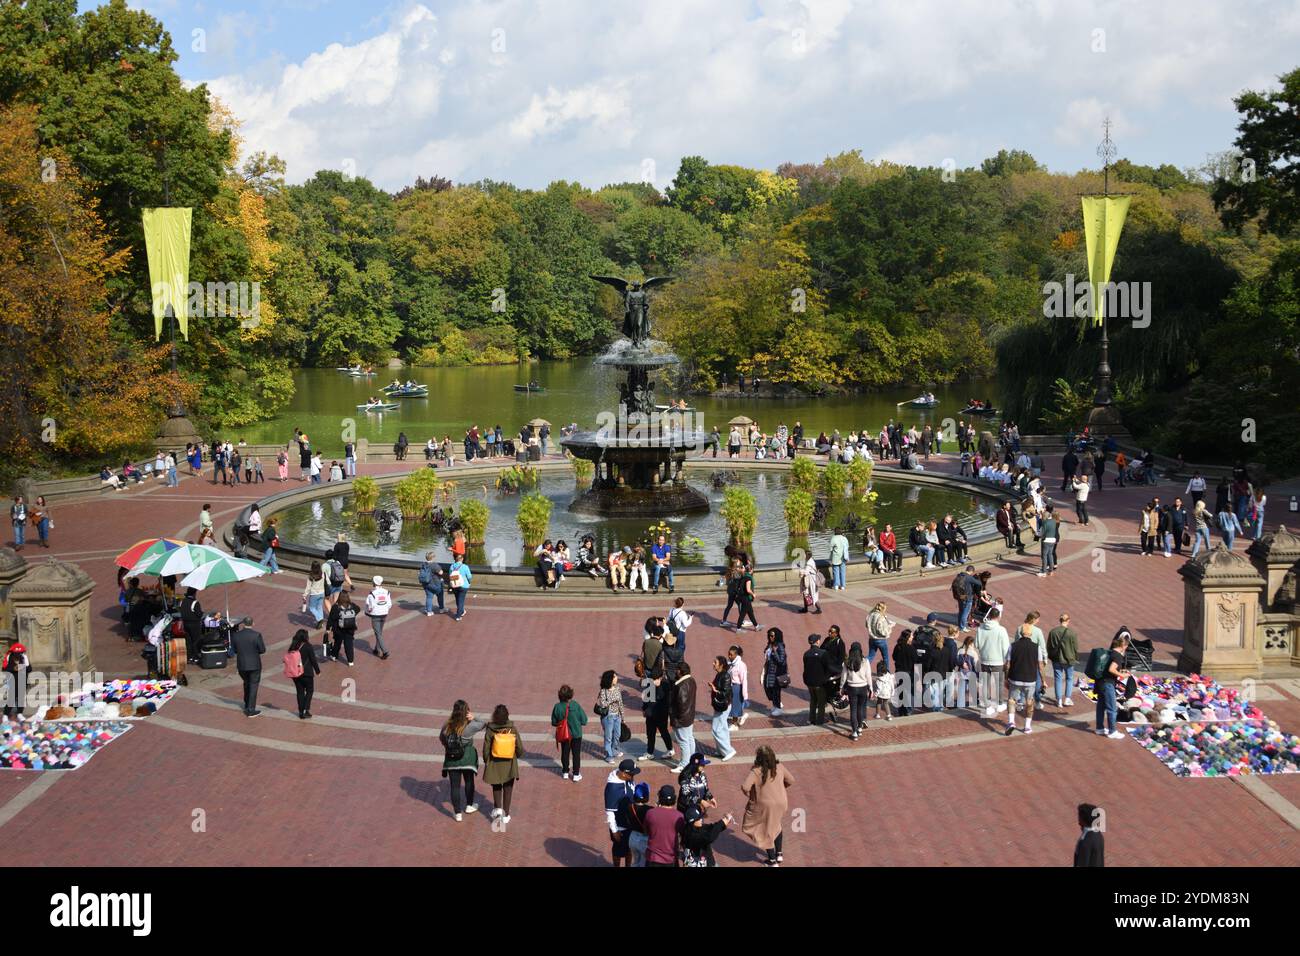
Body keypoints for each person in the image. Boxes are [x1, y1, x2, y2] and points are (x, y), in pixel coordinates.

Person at [741, 746, 794, 867]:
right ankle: (779, 853)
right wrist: (781, 788)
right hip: (781, 803)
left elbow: (745, 787)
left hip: (765, 806)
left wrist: (751, 796)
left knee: (765, 830)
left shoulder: (756, 771)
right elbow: (791, 780)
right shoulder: (779, 766)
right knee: (776, 825)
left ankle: (772, 860)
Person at [440, 700, 485, 822]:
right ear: (466, 712)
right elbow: (483, 723)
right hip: (467, 759)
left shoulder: (447, 726)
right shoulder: (469, 727)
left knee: (454, 786)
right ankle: (469, 805)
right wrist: (474, 717)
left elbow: (441, 738)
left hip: (451, 760)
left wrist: (450, 747)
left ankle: (457, 813)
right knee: (469, 782)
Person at [483, 704, 521, 825]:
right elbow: (519, 747)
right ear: (507, 716)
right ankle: (506, 814)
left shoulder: (490, 729)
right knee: (508, 788)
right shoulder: (512, 729)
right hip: (509, 763)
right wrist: (518, 755)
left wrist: (486, 760)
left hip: (494, 762)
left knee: (496, 787)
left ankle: (498, 809)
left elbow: (486, 749)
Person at [1004, 620, 1043, 735]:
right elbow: (1040, 665)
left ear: (1020, 633)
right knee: (1029, 702)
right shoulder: (1037, 647)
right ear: (1031, 634)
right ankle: (1027, 726)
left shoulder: (1013, 646)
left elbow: (1007, 664)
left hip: (1015, 677)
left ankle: (1011, 721)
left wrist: (1006, 677)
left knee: (1012, 700)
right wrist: (1043, 680)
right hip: (1030, 679)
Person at [604, 758, 641, 865]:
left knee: (629, 848)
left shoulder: (627, 779)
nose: (633, 777)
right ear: (624, 773)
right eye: (632, 774)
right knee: (618, 850)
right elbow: (610, 812)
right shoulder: (613, 788)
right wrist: (614, 830)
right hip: (620, 827)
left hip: (630, 823)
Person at [975, 607, 1010, 718]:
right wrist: (1006, 660)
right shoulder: (1001, 630)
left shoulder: (981, 628)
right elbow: (1006, 648)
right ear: (998, 616)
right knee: (999, 683)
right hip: (998, 661)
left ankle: (987, 707)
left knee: (985, 684)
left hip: (985, 660)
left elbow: (977, 645)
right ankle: (999, 704)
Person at [1096, 631, 1131, 739]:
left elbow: (1108, 667)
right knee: (1112, 708)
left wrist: (1121, 671)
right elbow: (1112, 669)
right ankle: (1112, 731)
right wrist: (1122, 675)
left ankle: (1100, 728)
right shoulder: (1118, 656)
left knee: (1101, 706)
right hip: (1108, 684)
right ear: (1124, 645)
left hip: (1101, 682)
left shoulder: (1110, 652)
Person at [551, 684, 588, 781]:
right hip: (576, 734)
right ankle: (576, 774)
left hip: (564, 734)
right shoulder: (575, 705)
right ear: (571, 694)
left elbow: (554, 722)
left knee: (565, 753)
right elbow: (584, 720)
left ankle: (565, 772)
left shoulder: (557, 707)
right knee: (576, 754)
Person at [231, 617, 265, 717]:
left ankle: (247, 704)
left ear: (243, 624)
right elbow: (262, 650)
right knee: (253, 685)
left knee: (246, 683)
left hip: (242, 664)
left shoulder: (236, 635)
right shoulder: (256, 635)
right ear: (253, 623)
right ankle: (250, 709)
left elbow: (234, 650)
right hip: (254, 664)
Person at [645, 785, 685, 867]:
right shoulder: (679, 816)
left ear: (660, 798)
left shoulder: (650, 813)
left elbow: (646, 831)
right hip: (671, 859)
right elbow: (683, 835)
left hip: (653, 858)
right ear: (674, 798)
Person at [669, 661, 698, 772]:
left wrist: (675, 716)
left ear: (680, 671)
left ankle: (684, 764)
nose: (676, 672)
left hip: (681, 719)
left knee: (683, 741)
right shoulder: (692, 681)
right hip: (689, 716)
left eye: (677, 670)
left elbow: (681, 703)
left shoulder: (680, 685)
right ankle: (692, 759)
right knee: (689, 738)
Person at [285, 627, 320, 719]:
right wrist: (317, 671)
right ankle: (306, 709)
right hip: (307, 672)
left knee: (300, 692)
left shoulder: (293, 646)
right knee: (310, 690)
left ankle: (301, 711)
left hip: (295, 673)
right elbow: (313, 660)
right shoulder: (308, 646)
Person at [707, 656, 737, 760]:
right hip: (720, 705)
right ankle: (721, 750)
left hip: (723, 705)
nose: (713, 664)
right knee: (723, 728)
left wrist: (715, 690)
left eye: (715, 662)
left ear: (721, 665)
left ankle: (728, 751)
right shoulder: (720, 674)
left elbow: (726, 692)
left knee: (716, 729)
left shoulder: (725, 676)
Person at [841, 641, 872, 739]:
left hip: (852, 687)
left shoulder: (847, 662)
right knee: (860, 708)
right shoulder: (865, 661)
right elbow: (869, 676)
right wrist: (871, 688)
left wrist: (841, 687)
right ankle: (859, 727)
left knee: (853, 710)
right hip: (863, 687)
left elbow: (843, 676)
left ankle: (854, 732)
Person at [1047, 613, 1078, 707]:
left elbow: (1049, 645)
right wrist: (1075, 657)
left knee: (1058, 678)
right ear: (1068, 620)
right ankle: (1067, 699)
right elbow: (1075, 648)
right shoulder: (1071, 633)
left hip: (1056, 659)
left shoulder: (1053, 632)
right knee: (1069, 678)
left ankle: (1059, 700)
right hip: (1068, 659)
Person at [802, 633, 833, 725]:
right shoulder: (823, 653)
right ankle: (819, 721)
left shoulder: (806, 654)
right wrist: (826, 678)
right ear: (817, 641)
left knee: (813, 700)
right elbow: (828, 668)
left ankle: (811, 719)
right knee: (821, 702)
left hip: (809, 682)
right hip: (820, 683)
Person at [596, 670, 626, 762]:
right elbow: (603, 704)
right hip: (608, 717)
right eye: (615, 677)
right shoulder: (603, 691)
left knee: (617, 735)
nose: (617, 678)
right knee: (608, 737)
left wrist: (623, 717)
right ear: (610, 679)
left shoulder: (617, 689)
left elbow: (620, 703)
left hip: (617, 716)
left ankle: (613, 749)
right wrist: (612, 700)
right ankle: (609, 756)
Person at [326, 588, 359, 665]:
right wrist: (351, 615)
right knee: (349, 644)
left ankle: (334, 656)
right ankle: (350, 661)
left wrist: (328, 629)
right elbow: (358, 609)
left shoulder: (336, 607)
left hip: (338, 629)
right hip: (350, 628)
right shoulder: (352, 605)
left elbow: (331, 618)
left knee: (337, 643)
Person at [762, 627, 788, 717]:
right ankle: (775, 705)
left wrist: (774, 652)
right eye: (769, 635)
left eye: (772, 636)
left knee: (776, 690)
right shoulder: (770, 644)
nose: (771, 637)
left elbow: (781, 660)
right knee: (769, 688)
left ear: (777, 636)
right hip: (769, 671)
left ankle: (778, 708)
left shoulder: (780, 646)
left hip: (777, 672)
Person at [364, 575, 392, 659]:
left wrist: (369, 611)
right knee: (379, 632)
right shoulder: (387, 592)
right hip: (384, 614)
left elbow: (369, 606)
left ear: (374, 583)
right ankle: (377, 648)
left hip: (376, 615)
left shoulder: (372, 593)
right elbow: (389, 604)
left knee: (378, 633)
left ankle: (385, 651)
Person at [726, 644, 749, 728]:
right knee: (730, 705)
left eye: (731, 654)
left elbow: (744, 680)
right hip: (730, 687)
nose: (729, 656)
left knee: (735, 706)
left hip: (737, 687)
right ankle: (738, 719)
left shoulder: (741, 665)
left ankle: (734, 724)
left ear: (736, 655)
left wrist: (745, 696)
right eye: (728, 654)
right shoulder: (729, 664)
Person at [866, 601, 893, 667]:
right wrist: (889, 629)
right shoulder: (881, 617)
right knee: (885, 658)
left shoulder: (870, 614)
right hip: (881, 640)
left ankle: (862, 669)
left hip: (872, 638)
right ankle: (887, 673)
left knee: (870, 656)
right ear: (883, 608)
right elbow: (881, 631)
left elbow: (866, 625)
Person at [419, 551, 445, 616]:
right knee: (440, 595)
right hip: (435, 584)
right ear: (433, 557)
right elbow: (441, 573)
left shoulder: (423, 564)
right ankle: (441, 609)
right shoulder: (435, 565)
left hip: (426, 584)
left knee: (429, 597)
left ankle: (429, 611)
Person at [448, 556, 472, 621]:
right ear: (462, 559)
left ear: (456, 559)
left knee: (457, 599)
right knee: (461, 600)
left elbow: (450, 575)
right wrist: (469, 582)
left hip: (455, 585)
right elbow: (469, 576)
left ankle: (461, 611)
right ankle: (458, 616)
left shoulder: (452, 566)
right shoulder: (465, 566)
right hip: (463, 585)